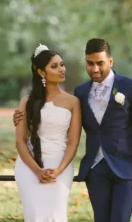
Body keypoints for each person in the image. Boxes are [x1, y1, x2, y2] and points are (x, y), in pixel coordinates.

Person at [14, 38, 132, 222]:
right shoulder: (80, 92)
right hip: (95, 169)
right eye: (90, 63)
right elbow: (47, 117)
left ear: (110, 61)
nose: (95, 69)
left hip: (126, 168)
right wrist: (19, 117)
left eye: (100, 63)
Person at [14, 45, 82, 222]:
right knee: (35, 217)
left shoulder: (73, 102)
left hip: (61, 166)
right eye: (54, 66)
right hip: (30, 167)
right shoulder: (27, 102)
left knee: (56, 216)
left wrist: (58, 170)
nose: (61, 69)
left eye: (62, 64)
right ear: (41, 72)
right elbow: (20, 142)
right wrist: (37, 171)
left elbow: (73, 142)